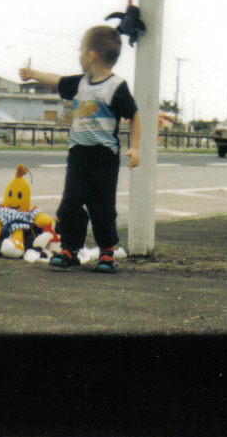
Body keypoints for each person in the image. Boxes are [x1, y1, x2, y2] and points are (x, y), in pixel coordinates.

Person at [19, 25, 141, 273]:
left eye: (81, 51)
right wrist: (33, 74)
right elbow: (57, 80)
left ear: (91, 55)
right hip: (78, 154)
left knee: (102, 205)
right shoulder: (81, 83)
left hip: (104, 155)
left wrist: (135, 148)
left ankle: (107, 252)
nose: (79, 55)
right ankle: (69, 249)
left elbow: (134, 115)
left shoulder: (116, 86)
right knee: (70, 203)